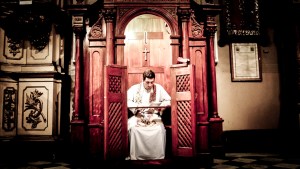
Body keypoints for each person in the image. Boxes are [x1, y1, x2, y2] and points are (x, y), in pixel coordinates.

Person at [127, 69, 171, 160]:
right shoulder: (135, 89)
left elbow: (168, 100)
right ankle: (136, 157)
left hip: (153, 115)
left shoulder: (158, 88)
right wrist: (136, 108)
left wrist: (160, 107)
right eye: (147, 82)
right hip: (138, 115)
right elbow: (126, 100)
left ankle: (157, 157)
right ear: (143, 80)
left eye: (152, 82)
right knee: (134, 129)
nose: (150, 85)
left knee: (159, 129)